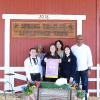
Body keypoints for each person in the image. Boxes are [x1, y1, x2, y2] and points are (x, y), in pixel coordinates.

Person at [71, 35, 93, 100]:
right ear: (76, 40)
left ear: (83, 40)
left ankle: (84, 98)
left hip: (85, 69)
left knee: (85, 85)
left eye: (81, 39)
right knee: (75, 85)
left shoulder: (87, 48)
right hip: (75, 70)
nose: (79, 40)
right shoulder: (72, 48)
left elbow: (89, 58)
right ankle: (77, 98)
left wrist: (89, 69)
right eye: (78, 39)